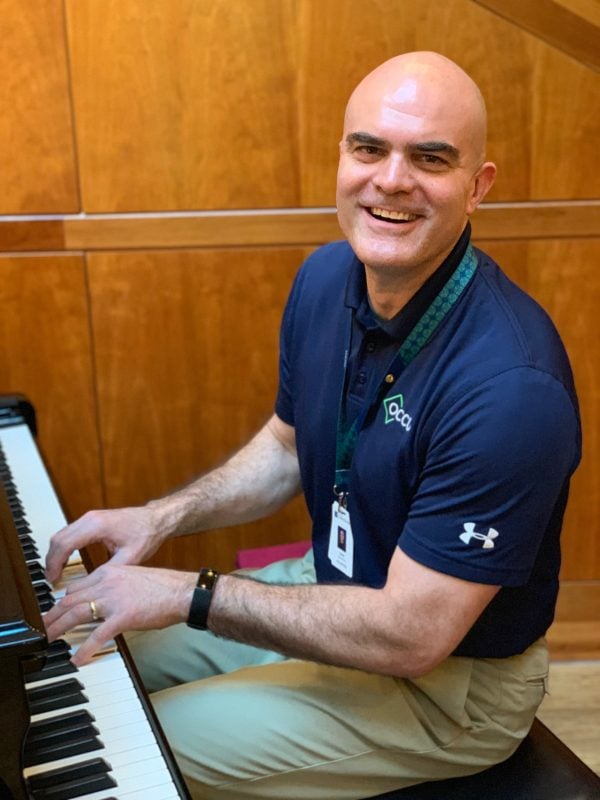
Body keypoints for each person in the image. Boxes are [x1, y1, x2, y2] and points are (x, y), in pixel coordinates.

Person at [44, 51, 581, 799]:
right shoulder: (328, 276)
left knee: (120, 753)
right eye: (369, 148)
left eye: (430, 157)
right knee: (76, 650)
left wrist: (187, 593)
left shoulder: (512, 388)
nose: (391, 179)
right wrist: (161, 515)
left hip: (448, 687)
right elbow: (286, 446)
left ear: (477, 185)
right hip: (331, 582)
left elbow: (411, 635)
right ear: (342, 156)